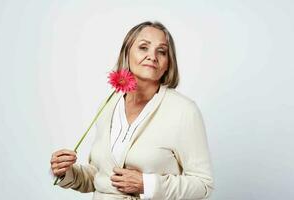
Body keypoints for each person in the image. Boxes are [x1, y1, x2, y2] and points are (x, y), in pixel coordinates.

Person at [50, 21, 214, 200]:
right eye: (143, 47)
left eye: (162, 51)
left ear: (168, 63)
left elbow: (203, 185)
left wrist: (148, 185)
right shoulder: (108, 105)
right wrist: (66, 172)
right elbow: (99, 176)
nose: (152, 56)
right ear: (126, 53)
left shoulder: (184, 111)